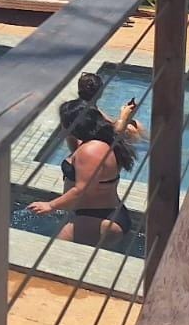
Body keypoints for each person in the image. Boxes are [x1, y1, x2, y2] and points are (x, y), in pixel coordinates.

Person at [30, 104, 135, 247]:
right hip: (98, 215)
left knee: (54, 255)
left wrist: (50, 205)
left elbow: (82, 189)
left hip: (100, 218)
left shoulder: (91, 150)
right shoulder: (101, 141)